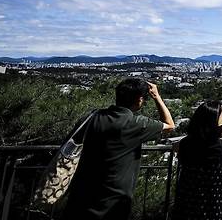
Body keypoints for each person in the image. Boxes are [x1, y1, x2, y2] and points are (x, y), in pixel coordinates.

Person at [62, 79, 175, 220]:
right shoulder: (136, 123)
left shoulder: (90, 117)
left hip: (80, 193)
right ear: (140, 99)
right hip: (113, 200)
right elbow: (170, 125)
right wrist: (156, 96)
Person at [172, 101, 222, 220]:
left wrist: (196, 135)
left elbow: (175, 146)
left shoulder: (187, 144)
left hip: (187, 201)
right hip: (213, 202)